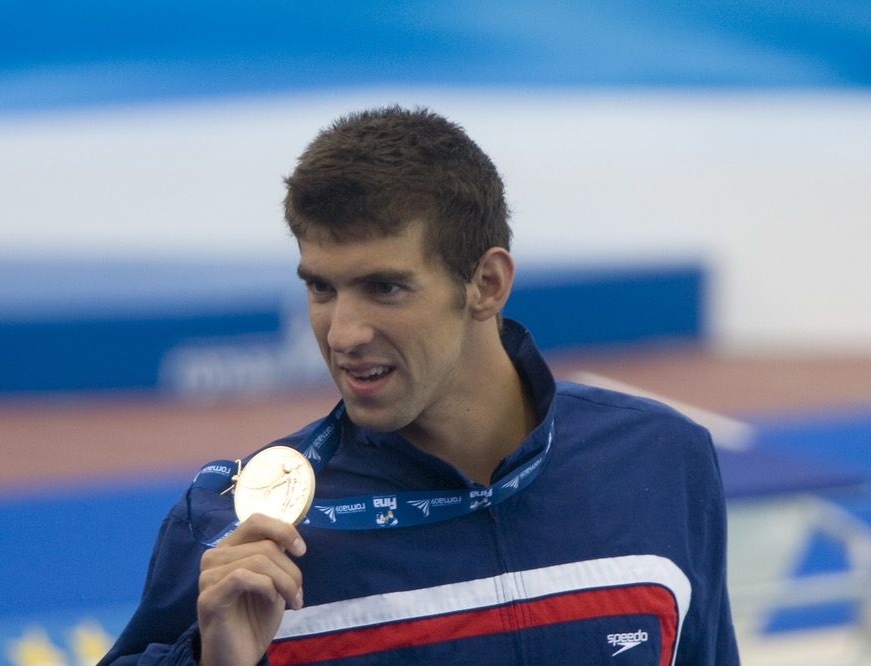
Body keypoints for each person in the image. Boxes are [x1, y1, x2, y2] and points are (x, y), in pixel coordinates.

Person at [100, 106, 739, 665]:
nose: (342, 333)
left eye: (385, 287)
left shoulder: (662, 461)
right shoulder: (234, 526)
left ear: (486, 284)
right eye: (321, 288)